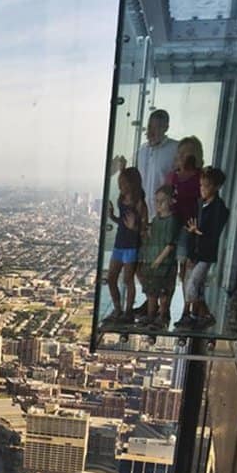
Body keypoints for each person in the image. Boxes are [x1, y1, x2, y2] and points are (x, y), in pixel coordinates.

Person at [181, 165, 229, 329]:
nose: (202, 189)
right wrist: (190, 253)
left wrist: (197, 231)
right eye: (201, 185)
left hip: (206, 254)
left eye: (206, 186)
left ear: (216, 187)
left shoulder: (220, 209)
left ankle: (206, 315)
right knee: (197, 287)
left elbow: (213, 233)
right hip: (196, 253)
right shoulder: (201, 204)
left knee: (192, 286)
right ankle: (199, 316)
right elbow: (191, 229)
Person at [105, 165, 147, 322]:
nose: (120, 187)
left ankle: (128, 312)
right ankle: (117, 309)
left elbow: (144, 229)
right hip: (119, 244)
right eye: (119, 184)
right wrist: (112, 217)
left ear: (132, 184)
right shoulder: (121, 200)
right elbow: (123, 222)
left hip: (132, 247)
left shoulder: (139, 204)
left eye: (123, 184)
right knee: (111, 278)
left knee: (128, 280)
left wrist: (133, 227)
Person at [114, 109, 179, 209]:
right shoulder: (142, 150)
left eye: (156, 127)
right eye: (150, 126)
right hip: (141, 212)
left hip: (164, 213)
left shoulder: (175, 149)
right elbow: (133, 178)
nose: (151, 131)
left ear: (165, 128)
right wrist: (122, 169)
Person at [139, 183, 181, 326]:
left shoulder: (172, 221)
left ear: (170, 201)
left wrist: (158, 260)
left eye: (162, 201)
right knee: (151, 293)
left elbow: (170, 245)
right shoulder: (156, 220)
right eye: (156, 201)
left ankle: (162, 317)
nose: (158, 204)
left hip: (165, 263)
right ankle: (150, 316)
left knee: (164, 294)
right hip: (152, 261)